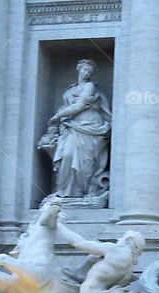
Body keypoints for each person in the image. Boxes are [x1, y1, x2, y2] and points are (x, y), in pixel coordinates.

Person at [46, 59, 112, 198]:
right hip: (72, 126)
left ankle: (81, 191)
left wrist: (57, 116)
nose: (86, 73)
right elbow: (65, 106)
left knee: (86, 161)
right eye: (84, 69)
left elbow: (80, 105)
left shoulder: (90, 87)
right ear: (78, 69)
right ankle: (64, 191)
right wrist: (59, 121)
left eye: (89, 71)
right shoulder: (70, 89)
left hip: (90, 126)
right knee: (67, 155)